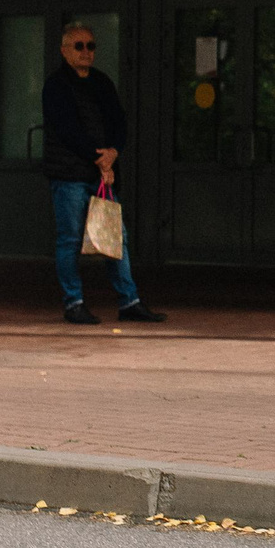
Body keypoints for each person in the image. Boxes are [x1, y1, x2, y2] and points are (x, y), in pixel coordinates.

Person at [42, 23, 166, 326]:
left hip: (102, 176)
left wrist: (113, 153)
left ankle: (129, 302)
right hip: (70, 175)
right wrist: (101, 159)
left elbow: (118, 123)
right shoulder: (56, 85)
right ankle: (74, 303)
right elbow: (67, 130)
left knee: (116, 239)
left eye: (91, 46)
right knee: (70, 240)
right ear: (64, 50)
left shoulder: (102, 82)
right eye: (79, 46)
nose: (86, 52)